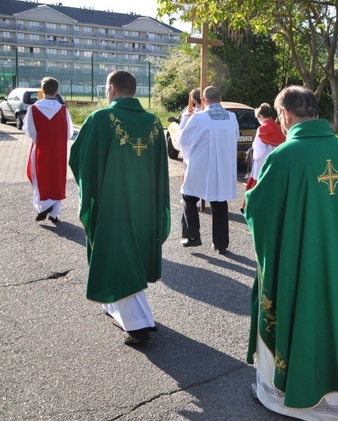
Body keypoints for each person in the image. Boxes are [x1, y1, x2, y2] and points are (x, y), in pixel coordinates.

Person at [244, 86, 338, 420]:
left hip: (306, 264)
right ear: (314, 111)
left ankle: (282, 398)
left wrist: (251, 203)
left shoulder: (284, 157)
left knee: (303, 316)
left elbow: (260, 211)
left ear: (284, 115)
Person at [69, 70, 170, 345]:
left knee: (119, 256)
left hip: (114, 203)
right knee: (130, 255)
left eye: (105, 87)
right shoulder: (152, 122)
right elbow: (160, 169)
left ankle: (138, 325)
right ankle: (117, 307)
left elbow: (80, 158)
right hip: (146, 204)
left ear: (112, 89)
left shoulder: (102, 119)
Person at [179, 85, 239, 255]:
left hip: (202, 165)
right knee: (219, 202)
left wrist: (189, 156)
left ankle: (192, 236)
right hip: (223, 167)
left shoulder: (199, 118)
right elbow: (235, 137)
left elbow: (184, 141)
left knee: (189, 198)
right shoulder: (231, 117)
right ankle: (221, 244)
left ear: (204, 100)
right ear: (220, 99)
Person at [24, 76, 74, 223]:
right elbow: (69, 133)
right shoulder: (63, 110)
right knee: (57, 178)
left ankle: (43, 206)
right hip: (58, 150)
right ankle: (54, 213)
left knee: (41, 177)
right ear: (56, 91)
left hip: (41, 149)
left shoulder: (33, 109)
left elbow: (30, 132)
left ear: (42, 90)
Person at [240, 102, 285, 214]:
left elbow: (258, 151)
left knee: (257, 186)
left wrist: (253, 155)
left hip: (261, 163)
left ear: (260, 116)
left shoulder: (261, 130)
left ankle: (255, 209)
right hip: (277, 162)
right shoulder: (281, 129)